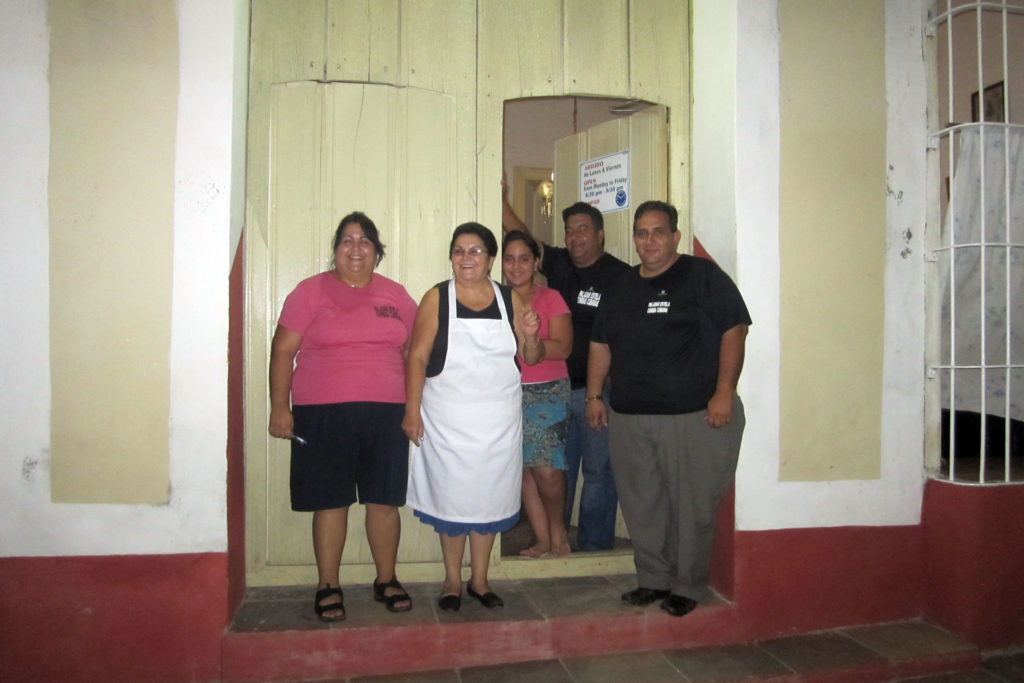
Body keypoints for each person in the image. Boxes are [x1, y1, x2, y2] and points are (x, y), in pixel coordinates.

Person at [585, 200, 750, 618]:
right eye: (642, 232)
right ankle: (653, 579)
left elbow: (735, 329)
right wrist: (592, 396)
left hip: (692, 416)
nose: (649, 240)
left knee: (691, 504)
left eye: (659, 231)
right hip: (629, 416)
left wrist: (724, 392)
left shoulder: (702, 276)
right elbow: (600, 344)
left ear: (676, 236)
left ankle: (688, 585)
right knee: (642, 503)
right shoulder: (621, 285)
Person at [268, 211, 418, 622]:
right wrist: (280, 406)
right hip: (321, 414)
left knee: (383, 500)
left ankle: (386, 578)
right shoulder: (309, 292)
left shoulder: (396, 295)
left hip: (386, 413)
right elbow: (283, 350)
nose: (355, 248)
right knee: (330, 502)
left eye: (364, 240)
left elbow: (414, 352)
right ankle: (328, 584)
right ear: (335, 250)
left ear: (377, 251)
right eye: (347, 240)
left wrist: (413, 406)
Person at [403, 223, 542, 611]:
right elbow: (416, 356)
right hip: (447, 423)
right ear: (451, 257)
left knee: (488, 503)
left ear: (491, 260)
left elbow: (531, 356)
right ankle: (451, 580)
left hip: (498, 426)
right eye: (459, 251)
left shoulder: (509, 299)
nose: (466, 258)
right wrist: (412, 410)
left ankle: (480, 581)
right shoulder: (437, 298)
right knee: (452, 502)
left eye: (476, 251)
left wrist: (531, 335)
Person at [503, 194, 629, 551]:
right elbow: (521, 236)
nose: (575, 237)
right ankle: (554, 539)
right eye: (569, 230)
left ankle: (592, 549)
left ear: (600, 234)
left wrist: (600, 390)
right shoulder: (556, 265)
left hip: (591, 391)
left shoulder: (619, 276)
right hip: (539, 392)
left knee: (598, 473)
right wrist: (501, 198)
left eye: (583, 230)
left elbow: (613, 336)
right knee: (551, 472)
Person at [502, 230, 573, 559]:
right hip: (504, 392)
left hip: (546, 390)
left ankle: (560, 536)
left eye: (524, 259)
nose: (516, 266)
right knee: (526, 470)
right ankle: (543, 540)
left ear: (535, 263)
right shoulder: (495, 299)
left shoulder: (550, 298)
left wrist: (533, 345)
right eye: (509, 258)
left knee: (547, 469)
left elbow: (565, 346)